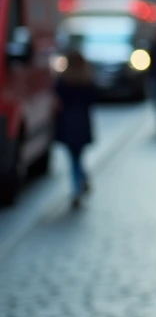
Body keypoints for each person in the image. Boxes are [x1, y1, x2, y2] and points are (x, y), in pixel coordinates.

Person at [55, 51, 99, 209]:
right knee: (78, 157)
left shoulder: (63, 80)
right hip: (82, 123)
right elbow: (94, 98)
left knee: (73, 159)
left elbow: (57, 97)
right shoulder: (87, 80)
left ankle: (77, 188)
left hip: (68, 124)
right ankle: (81, 181)